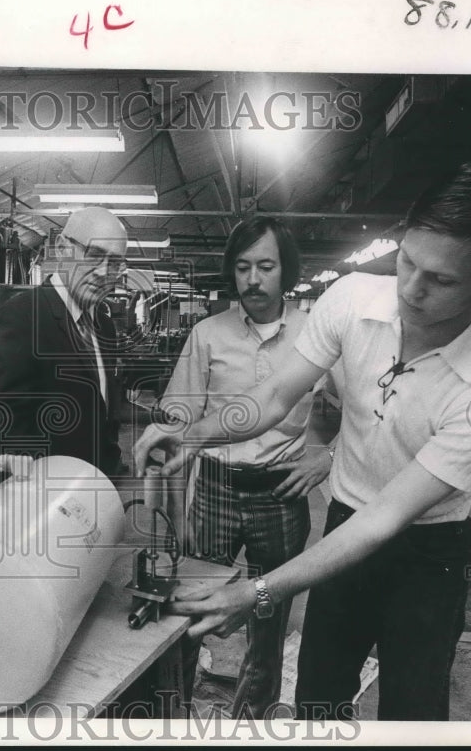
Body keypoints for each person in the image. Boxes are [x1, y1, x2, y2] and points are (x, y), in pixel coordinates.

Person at [134, 162, 471, 720]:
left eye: (440, 280)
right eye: (407, 262)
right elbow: (275, 397)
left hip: (427, 552)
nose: (411, 291)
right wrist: (194, 433)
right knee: (318, 696)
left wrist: (257, 592)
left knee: (412, 712)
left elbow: (386, 520)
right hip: (345, 519)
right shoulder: (351, 300)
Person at [158, 216, 332, 719]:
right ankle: (173, 714)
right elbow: (180, 413)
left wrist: (329, 453)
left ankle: (251, 722)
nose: (253, 279)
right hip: (213, 488)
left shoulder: (316, 335)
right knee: (191, 609)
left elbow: (358, 406)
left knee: (267, 616)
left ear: (286, 272)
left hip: (281, 492)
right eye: (242, 267)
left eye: (265, 266)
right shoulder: (207, 334)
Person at [0, 207, 128, 479]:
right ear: (62, 247)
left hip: (92, 492)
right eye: (94, 255)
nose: (104, 272)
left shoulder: (103, 324)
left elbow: (101, 415)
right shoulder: (20, 318)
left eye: (114, 263)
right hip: (42, 498)